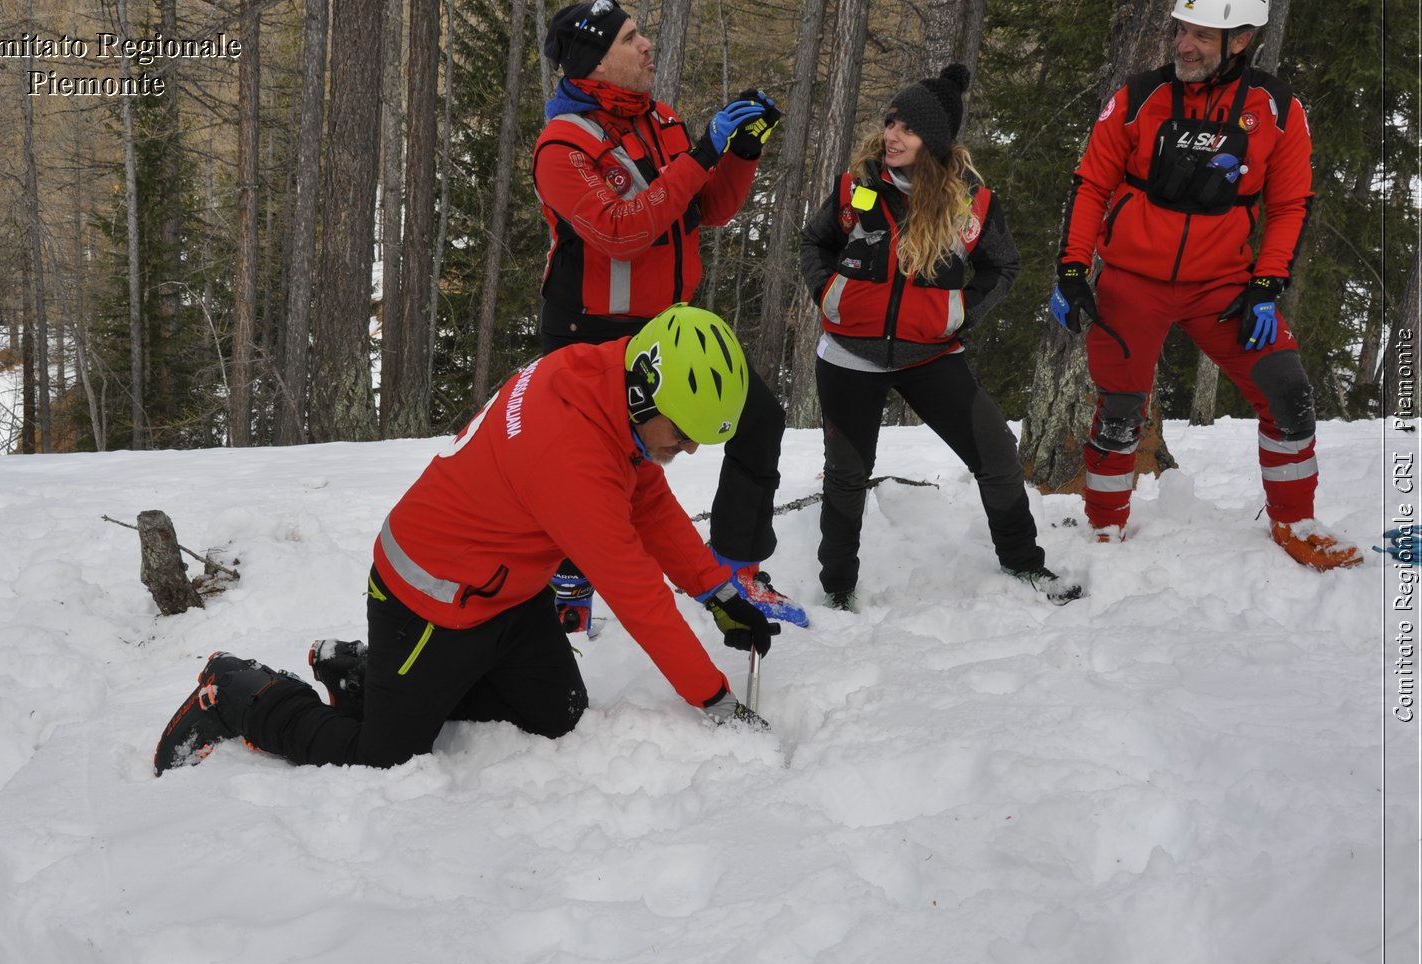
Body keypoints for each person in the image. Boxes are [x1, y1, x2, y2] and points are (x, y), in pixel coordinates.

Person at [153, 306, 781, 776]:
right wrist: (716, 701)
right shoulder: (569, 454)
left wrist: (718, 592)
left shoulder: (608, 376)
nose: (692, 448)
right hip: (430, 598)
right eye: (686, 432)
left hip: (508, 592)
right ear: (648, 391)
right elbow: (638, 596)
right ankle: (238, 693)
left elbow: (648, 501)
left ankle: (368, 675)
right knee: (383, 758)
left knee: (558, 712)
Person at [1048, 0, 1360, 570]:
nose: (1183, 44)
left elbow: (1290, 204)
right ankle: (1104, 527)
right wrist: (1071, 269)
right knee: (1119, 411)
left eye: (1200, 35)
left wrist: (1267, 284)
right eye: (1181, 30)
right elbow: (1091, 183)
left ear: (1239, 41)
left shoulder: (1277, 108)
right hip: (1131, 283)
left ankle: (1294, 522)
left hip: (1224, 288)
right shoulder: (1139, 97)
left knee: (1288, 393)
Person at [533, 1, 809, 631]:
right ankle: (566, 580)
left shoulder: (660, 119)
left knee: (757, 418)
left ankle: (735, 566)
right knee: (583, 462)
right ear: (594, 60)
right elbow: (621, 232)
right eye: (632, 38)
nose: (648, 45)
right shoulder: (563, 144)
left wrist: (740, 152)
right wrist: (702, 150)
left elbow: (704, 209)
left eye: (642, 33)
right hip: (590, 330)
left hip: (667, 323)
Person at [797, 64, 1082, 611]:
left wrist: (959, 312)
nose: (892, 135)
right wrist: (828, 292)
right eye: (890, 122)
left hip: (930, 355)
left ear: (937, 141)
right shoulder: (855, 188)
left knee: (997, 455)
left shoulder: (970, 205)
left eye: (908, 127)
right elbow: (814, 244)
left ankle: (1024, 563)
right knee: (846, 475)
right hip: (848, 355)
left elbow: (1005, 266)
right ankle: (837, 588)